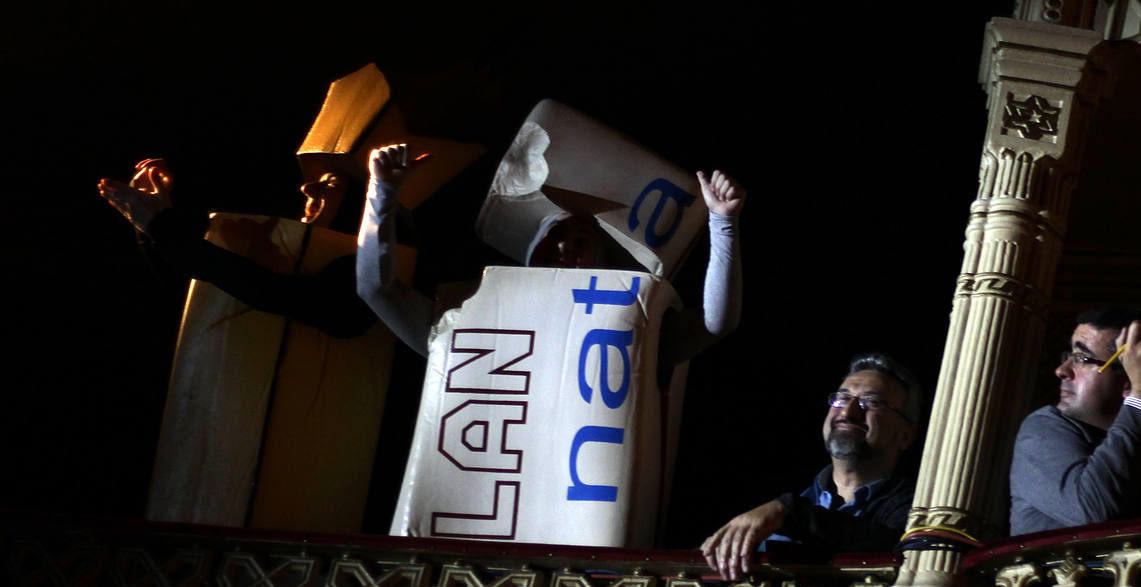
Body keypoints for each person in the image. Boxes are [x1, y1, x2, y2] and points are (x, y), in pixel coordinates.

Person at [356, 142, 743, 374]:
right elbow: (376, 290)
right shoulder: (479, 322)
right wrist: (383, 192)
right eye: (553, 237)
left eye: (581, 238)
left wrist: (722, 224)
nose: (564, 248)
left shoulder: (627, 328)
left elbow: (714, 324)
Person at [701, 352, 920, 581]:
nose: (847, 412)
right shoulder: (779, 498)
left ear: (905, 435)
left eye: (871, 402)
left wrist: (791, 513)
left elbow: (892, 547)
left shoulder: (919, 509)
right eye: (842, 398)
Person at [98, 157, 375, 337]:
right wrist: (147, 220)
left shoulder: (367, 275)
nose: (308, 188)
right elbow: (192, 292)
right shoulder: (285, 261)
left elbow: (265, 291)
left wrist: (159, 225)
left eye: (332, 184)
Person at [1009, 309, 1141, 534]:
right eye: (1068, 356)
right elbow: (1092, 511)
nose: (1061, 370)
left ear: (1132, 378)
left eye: (1081, 359)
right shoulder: (1044, 429)